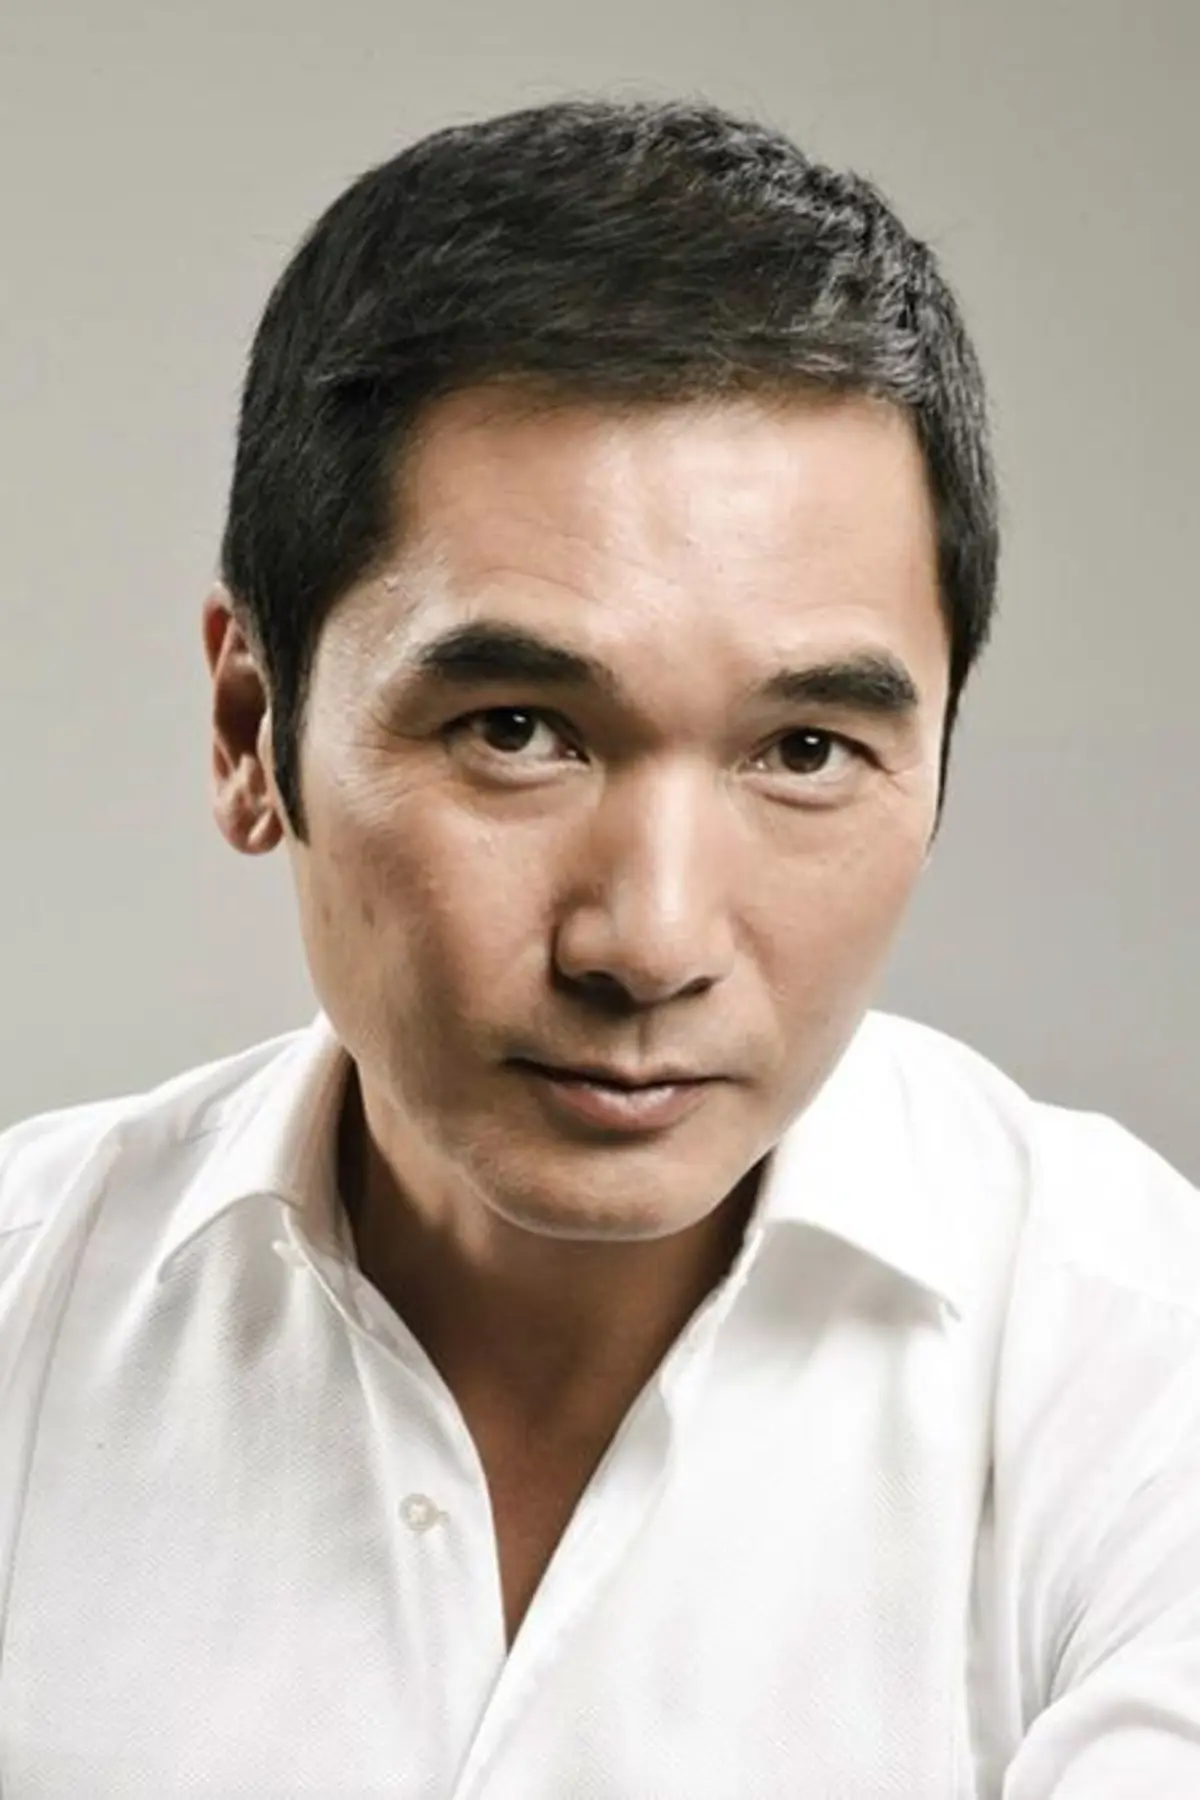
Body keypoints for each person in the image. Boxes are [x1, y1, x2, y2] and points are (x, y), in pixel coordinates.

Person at [1, 97, 1198, 1799]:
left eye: (805, 751)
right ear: (252, 725)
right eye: (516, 730)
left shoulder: (1145, 1373)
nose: (651, 941)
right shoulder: (25, 1306)